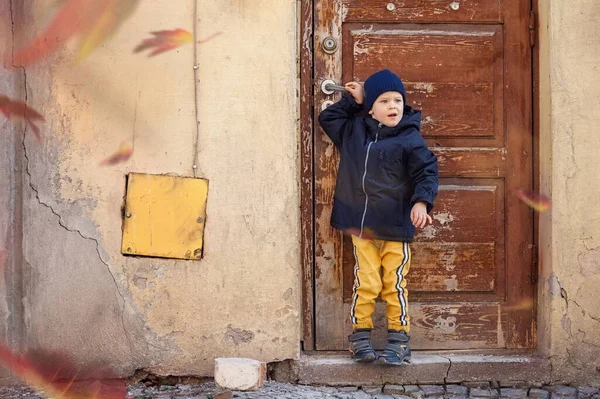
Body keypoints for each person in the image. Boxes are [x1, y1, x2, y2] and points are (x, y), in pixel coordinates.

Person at [318, 69, 439, 365]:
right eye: (384, 101)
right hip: (363, 227)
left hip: (396, 226)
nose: (393, 106)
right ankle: (361, 336)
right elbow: (328, 119)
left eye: (397, 100)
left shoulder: (410, 137)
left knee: (394, 283)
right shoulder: (354, 131)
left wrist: (422, 202)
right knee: (367, 281)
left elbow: (427, 171)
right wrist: (354, 100)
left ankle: (399, 339)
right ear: (371, 107)